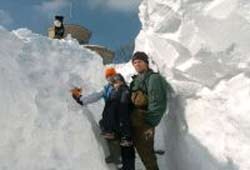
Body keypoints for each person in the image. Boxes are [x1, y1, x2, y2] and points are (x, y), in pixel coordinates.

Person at [71, 67, 122, 167]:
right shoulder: (106, 88)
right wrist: (81, 99)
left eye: (112, 75)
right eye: (108, 76)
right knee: (107, 131)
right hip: (110, 116)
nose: (110, 77)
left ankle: (119, 160)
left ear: (115, 75)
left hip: (118, 117)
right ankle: (115, 155)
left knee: (115, 137)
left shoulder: (121, 86)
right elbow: (95, 95)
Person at [130, 51, 168, 170]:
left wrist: (149, 121)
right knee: (141, 151)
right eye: (135, 62)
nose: (137, 64)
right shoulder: (135, 81)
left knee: (146, 153)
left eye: (140, 61)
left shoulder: (153, 78)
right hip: (135, 120)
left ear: (146, 63)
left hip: (144, 121)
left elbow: (157, 101)